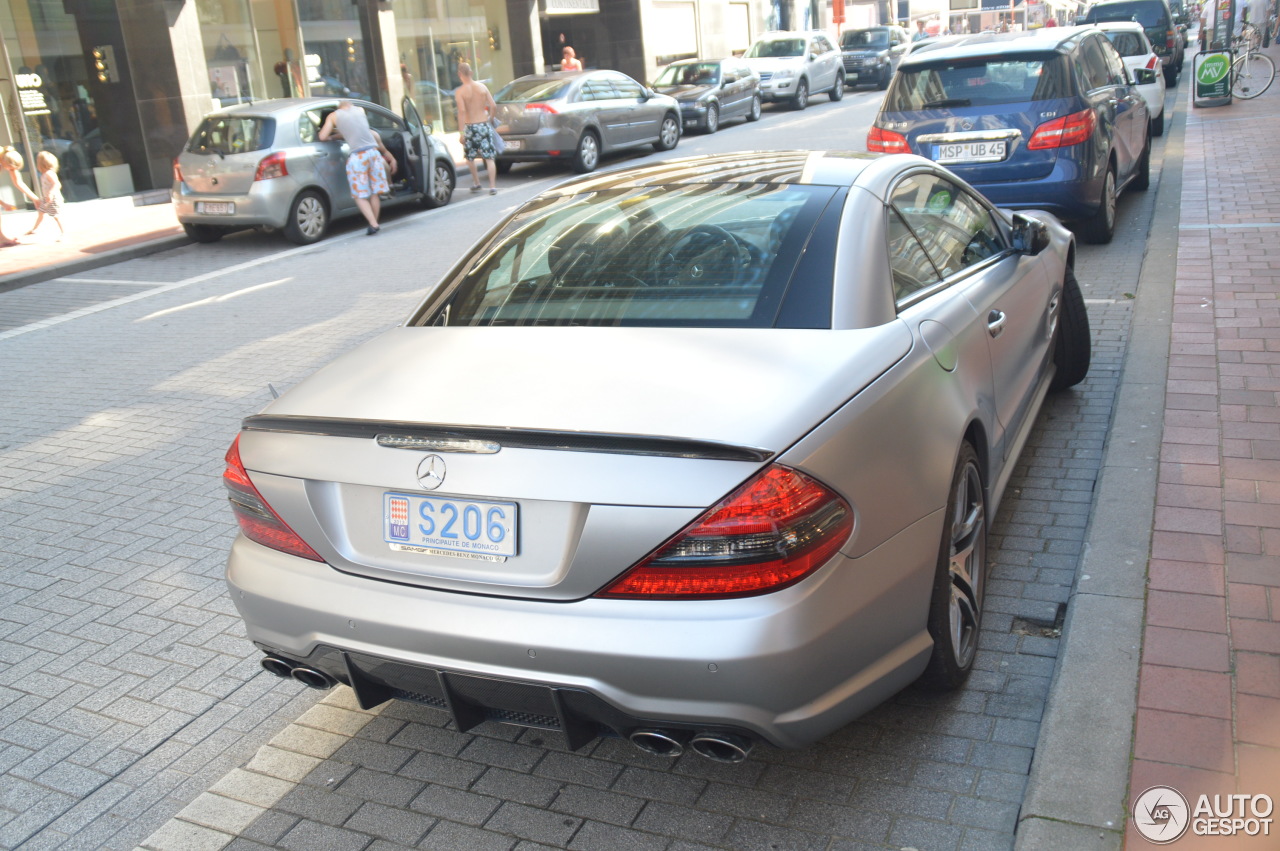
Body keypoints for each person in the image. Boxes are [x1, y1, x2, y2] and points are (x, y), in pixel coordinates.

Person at [318, 99, 398, 235]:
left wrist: (332, 137)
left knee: (359, 195)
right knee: (374, 192)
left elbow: (322, 136)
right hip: (373, 153)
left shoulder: (334, 116)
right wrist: (341, 134)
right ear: (350, 104)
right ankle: (374, 223)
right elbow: (356, 130)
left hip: (358, 157)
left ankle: (373, 223)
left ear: (338, 106)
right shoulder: (361, 111)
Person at [454, 61, 500, 196]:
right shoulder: (482, 87)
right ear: (471, 73)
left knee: (470, 157)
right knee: (489, 157)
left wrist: (461, 132)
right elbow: (493, 105)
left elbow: (461, 111)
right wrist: (490, 119)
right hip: (483, 124)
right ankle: (492, 186)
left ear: (459, 74)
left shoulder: (460, 92)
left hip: (470, 126)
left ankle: (477, 182)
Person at [1, 147, 40, 246]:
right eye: (10, 169)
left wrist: (35, 198)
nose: (11, 171)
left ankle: (2, 238)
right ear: (5, 162)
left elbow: (18, 182)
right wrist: (3, 203)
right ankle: (2, 238)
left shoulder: (7, 156)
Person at [25, 151, 63, 239]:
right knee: (41, 213)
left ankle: (63, 232)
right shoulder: (44, 174)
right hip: (46, 199)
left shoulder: (49, 173)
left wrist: (51, 193)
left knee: (56, 216)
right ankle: (35, 229)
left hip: (53, 199)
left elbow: (57, 184)